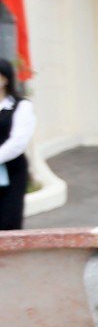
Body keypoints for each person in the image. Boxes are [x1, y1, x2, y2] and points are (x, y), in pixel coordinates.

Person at [0, 60, 31, 231]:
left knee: (8, 221)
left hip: (11, 171)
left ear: (5, 79)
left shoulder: (21, 106)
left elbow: (18, 141)